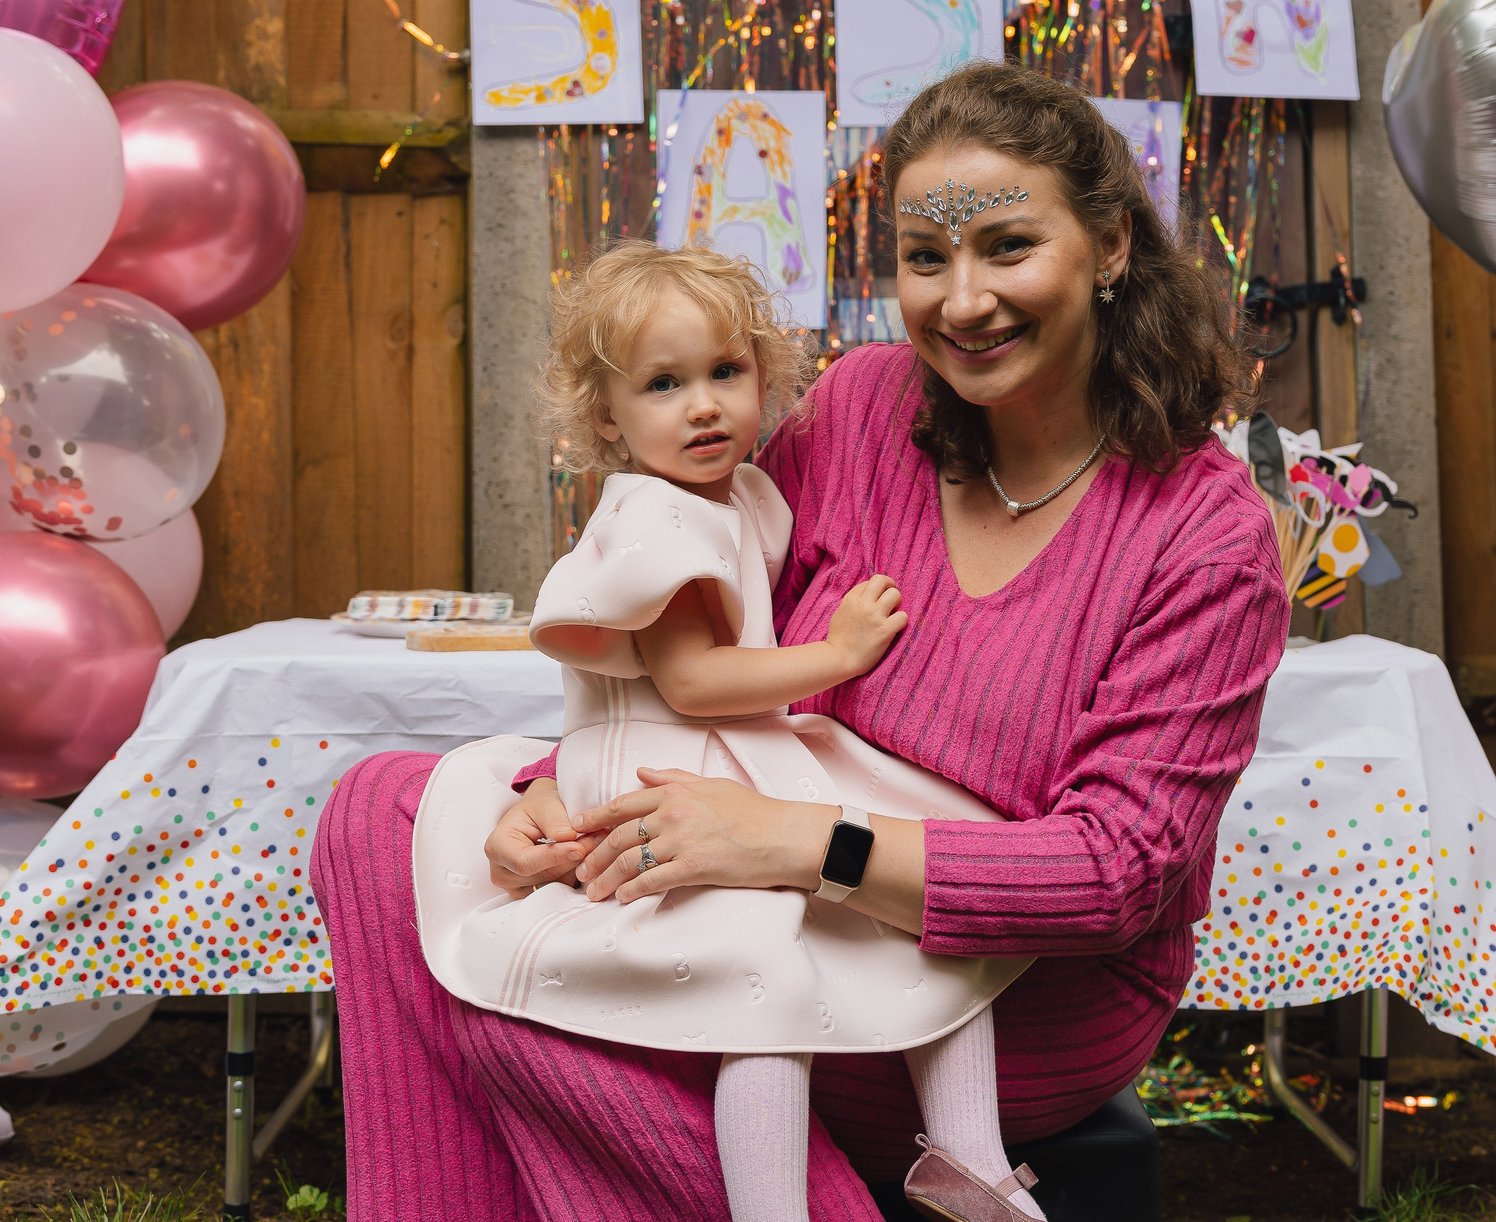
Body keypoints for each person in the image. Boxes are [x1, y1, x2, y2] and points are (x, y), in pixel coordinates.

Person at [313, 62, 1287, 1220]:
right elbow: (699, 646)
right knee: (386, 811)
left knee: (519, 1013)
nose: (961, 302)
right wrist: (550, 791)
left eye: (1008, 248)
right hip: (772, 898)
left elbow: (1116, 874)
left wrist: (795, 843)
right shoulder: (867, 407)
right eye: (926, 259)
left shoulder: (1203, 534)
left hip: (997, 995)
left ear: (1112, 244)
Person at [412, 239, 1047, 1222]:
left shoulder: (741, 491)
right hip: (672, 765)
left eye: (724, 372)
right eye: (663, 384)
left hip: (728, 752)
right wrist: (839, 657)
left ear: (764, 375)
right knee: (756, 977)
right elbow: (695, 679)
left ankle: (969, 1154)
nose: (703, 405)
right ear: (606, 418)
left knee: (924, 883)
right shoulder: (660, 520)